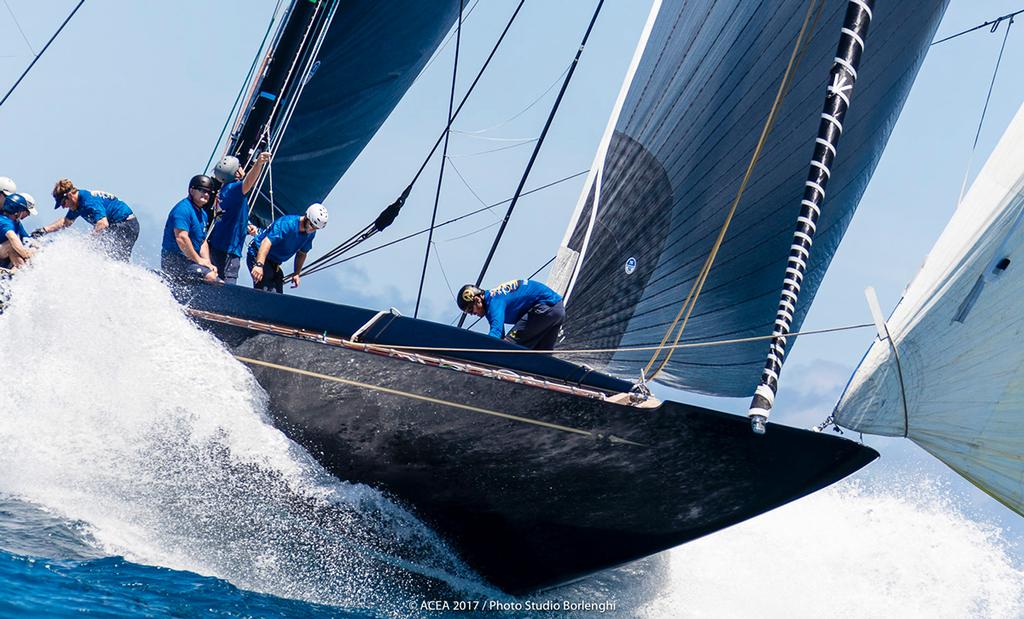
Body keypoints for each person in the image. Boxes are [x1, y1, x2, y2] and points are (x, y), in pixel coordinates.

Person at [36, 179, 140, 260]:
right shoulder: (77, 203)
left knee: (113, 260)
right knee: (107, 257)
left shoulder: (88, 202)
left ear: (69, 195)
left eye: (63, 203)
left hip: (126, 225)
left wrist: (88, 242)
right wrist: (44, 230)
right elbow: (65, 222)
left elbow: (103, 224)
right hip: (120, 225)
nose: (63, 207)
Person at [207, 151, 270, 284]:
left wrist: (246, 227)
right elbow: (249, 182)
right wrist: (258, 163)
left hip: (218, 245)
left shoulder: (224, 191)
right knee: (227, 287)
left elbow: (229, 217)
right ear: (235, 173)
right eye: (239, 167)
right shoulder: (234, 190)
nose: (242, 168)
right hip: (228, 251)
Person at [457, 279, 565, 350]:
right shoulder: (493, 300)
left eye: (470, 309)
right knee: (541, 357)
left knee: (509, 347)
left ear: (477, 300)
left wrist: (476, 352)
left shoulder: (494, 301)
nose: (472, 314)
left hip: (545, 307)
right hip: (557, 309)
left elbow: (496, 333)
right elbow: (498, 337)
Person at [247, 203, 328, 293]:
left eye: (316, 228)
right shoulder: (287, 224)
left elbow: (302, 253)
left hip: (274, 262)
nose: (312, 229)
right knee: (265, 285)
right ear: (306, 217)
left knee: (278, 288)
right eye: (312, 225)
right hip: (257, 253)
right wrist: (259, 265)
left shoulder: (310, 234)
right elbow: (266, 242)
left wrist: (297, 273)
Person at [161, 175, 219, 284]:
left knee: (219, 283)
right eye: (201, 190)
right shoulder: (182, 209)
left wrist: (208, 263)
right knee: (210, 277)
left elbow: (202, 242)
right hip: (175, 260)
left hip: (191, 262)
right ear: (191, 190)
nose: (206, 194)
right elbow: (181, 238)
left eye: (208, 192)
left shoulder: (203, 214)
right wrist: (199, 260)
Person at [0, 193, 36, 269]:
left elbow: (28, 241)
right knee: (12, 245)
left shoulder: (15, 223)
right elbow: (13, 238)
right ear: (18, 211)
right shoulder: (4, 221)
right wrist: (28, 256)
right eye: (26, 211)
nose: (28, 215)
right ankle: (23, 272)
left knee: (29, 248)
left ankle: (15, 272)